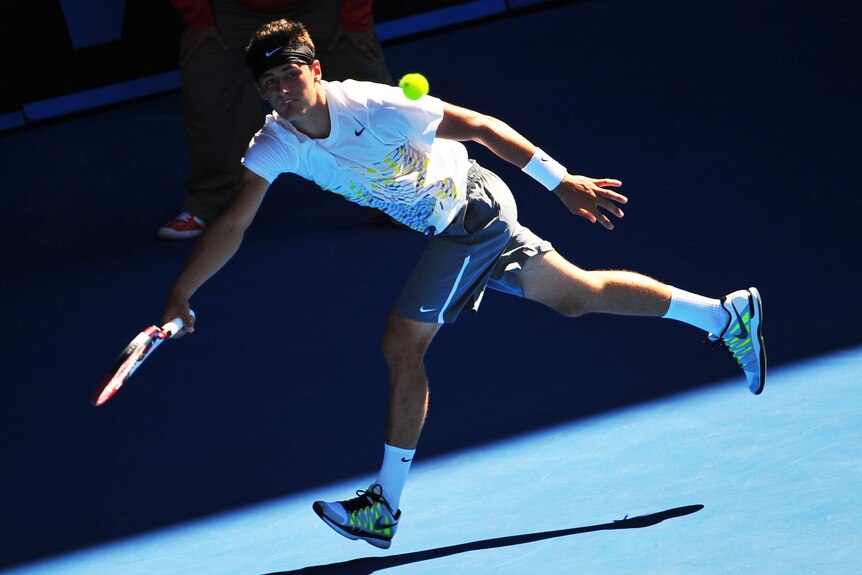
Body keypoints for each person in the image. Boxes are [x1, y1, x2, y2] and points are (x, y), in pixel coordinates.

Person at [160, 19, 767, 549]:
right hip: (455, 219)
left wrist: (559, 183)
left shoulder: (375, 105)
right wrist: (182, 294)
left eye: (288, 77)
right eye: (266, 85)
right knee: (578, 296)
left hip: (471, 215)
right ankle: (723, 316)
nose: (278, 92)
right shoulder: (277, 141)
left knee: (402, 345)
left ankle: (383, 509)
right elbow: (234, 223)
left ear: (315, 70)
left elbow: (479, 126)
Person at [159, 0, 392, 239]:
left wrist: (355, 16)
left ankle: (396, 193)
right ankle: (210, 206)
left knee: (370, 87)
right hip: (229, 10)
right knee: (209, 86)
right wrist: (199, 18)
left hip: (324, 5)